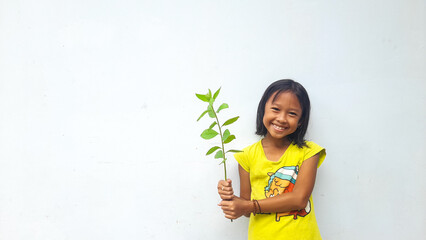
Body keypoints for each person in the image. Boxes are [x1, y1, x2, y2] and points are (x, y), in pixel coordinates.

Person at [217, 79, 326, 239]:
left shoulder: (309, 152)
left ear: (301, 120)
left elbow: (299, 199)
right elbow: (246, 211)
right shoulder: (246, 156)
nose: (282, 118)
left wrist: (248, 206)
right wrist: (230, 198)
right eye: (275, 109)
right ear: (263, 110)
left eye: (292, 113)